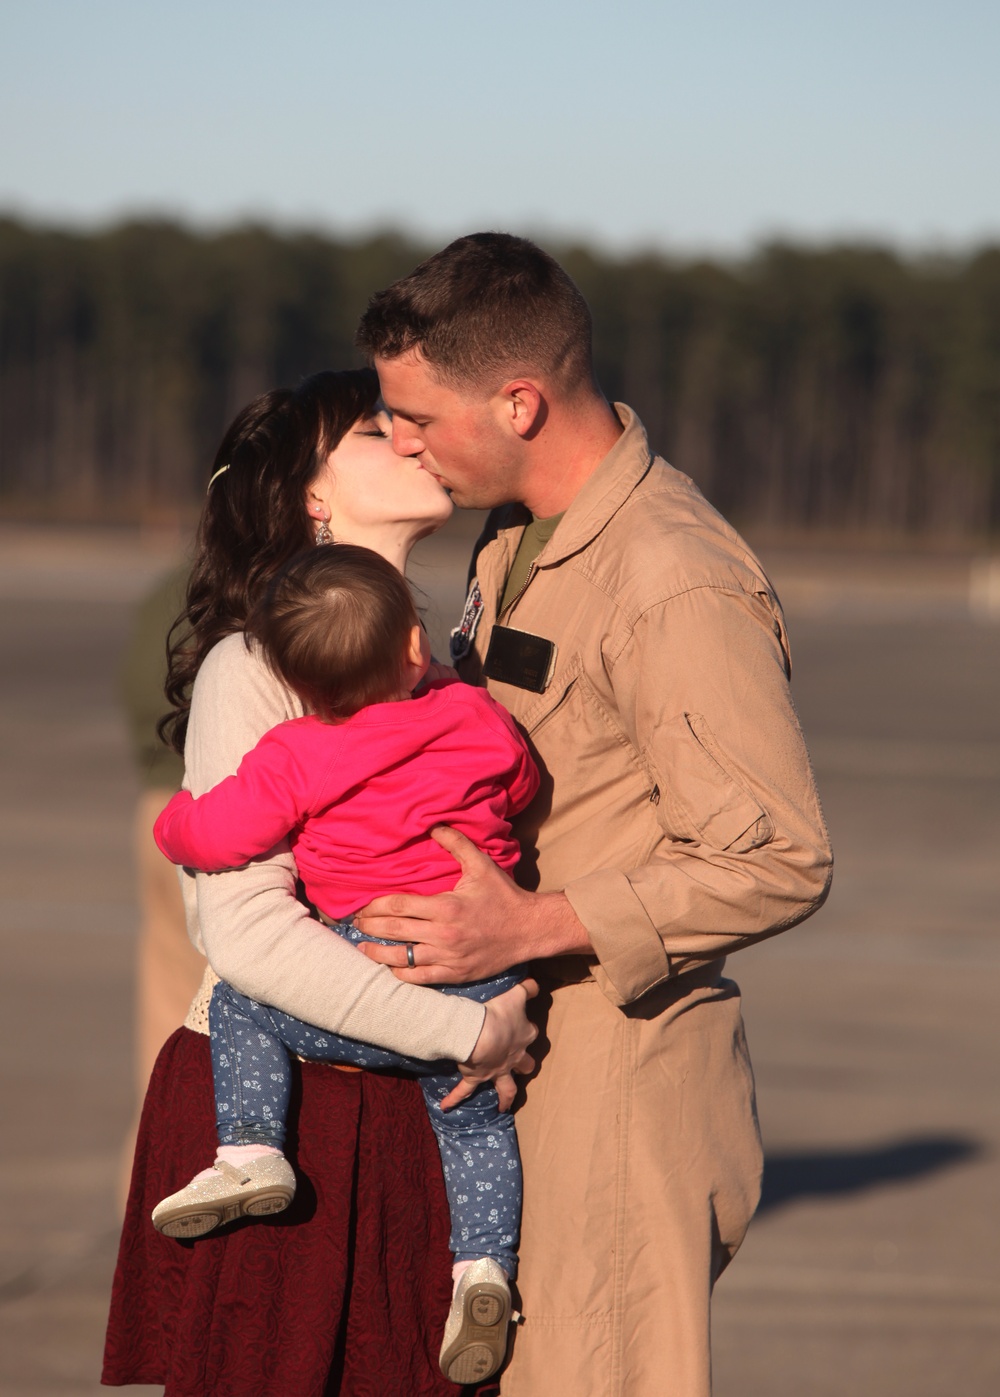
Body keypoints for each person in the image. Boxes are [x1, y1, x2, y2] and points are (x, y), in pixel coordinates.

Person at [352, 233, 834, 1397]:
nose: (400, 440)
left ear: (518, 401)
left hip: (619, 1093)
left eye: (415, 415)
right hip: (523, 1065)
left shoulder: (670, 576)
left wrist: (529, 925)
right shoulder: (516, 533)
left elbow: (778, 854)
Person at [103, 368, 537, 1397]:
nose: (413, 436)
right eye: (375, 428)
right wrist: (469, 1032)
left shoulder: (444, 669)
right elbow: (246, 938)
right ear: (312, 495)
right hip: (287, 1116)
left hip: (414, 1108)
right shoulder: (253, 668)